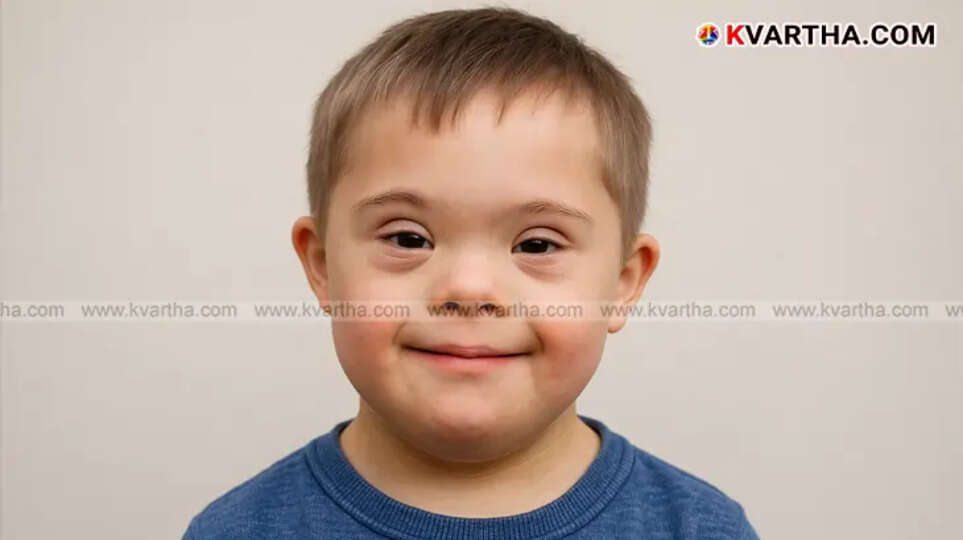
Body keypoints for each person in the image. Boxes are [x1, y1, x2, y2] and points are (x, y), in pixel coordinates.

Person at [184, 7, 758, 539]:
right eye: (408, 238)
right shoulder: (238, 531)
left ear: (622, 283)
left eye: (537, 244)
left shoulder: (700, 530)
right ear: (323, 266)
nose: (469, 289)